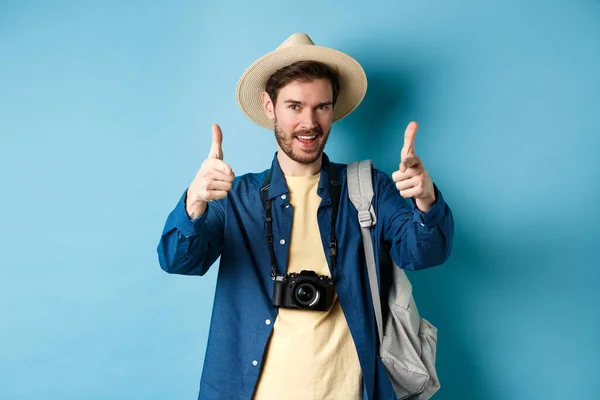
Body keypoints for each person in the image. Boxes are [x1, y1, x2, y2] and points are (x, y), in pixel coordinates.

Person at [157, 33, 454, 400]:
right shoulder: (236, 197)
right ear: (270, 106)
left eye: (321, 107)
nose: (309, 123)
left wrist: (425, 201)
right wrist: (195, 201)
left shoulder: (367, 188)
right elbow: (177, 260)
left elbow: (424, 254)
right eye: (295, 106)